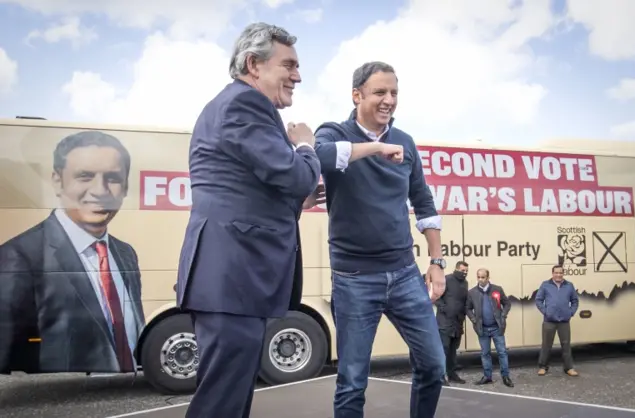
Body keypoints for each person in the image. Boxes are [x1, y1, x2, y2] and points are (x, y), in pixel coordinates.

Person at [174, 23, 322, 418]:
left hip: (231, 281)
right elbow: (295, 174)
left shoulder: (235, 105)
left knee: (230, 400)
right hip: (231, 279)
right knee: (220, 405)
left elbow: (248, 191)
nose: (298, 75)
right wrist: (306, 145)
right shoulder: (245, 103)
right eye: (288, 65)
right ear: (253, 64)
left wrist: (298, 203)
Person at [314, 61, 447, 418]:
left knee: (434, 366)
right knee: (352, 383)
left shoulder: (405, 142)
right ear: (357, 95)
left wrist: (435, 263)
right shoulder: (333, 131)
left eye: (394, 93)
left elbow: (424, 203)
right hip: (354, 280)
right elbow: (319, 156)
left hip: (404, 275)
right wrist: (374, 149)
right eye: (380, 92)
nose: (389, 100)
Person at [0, 131, 144, 375]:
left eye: (113, 178)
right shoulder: (19, 256)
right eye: (85, 176)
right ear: (57, 181)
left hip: (123, 394)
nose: (100, 190)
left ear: (126, 187)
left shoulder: (125, 252)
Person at [465, 268, 514, 387]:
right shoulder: (472, 292)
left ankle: (506, 376)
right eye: (479, 277)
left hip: (497, 328)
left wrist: (503, 315)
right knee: (485, 353)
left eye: (483, 277)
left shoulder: (497, 289)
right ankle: (487, 376)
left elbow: (507, 303)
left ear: (488, 278)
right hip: (482, 329)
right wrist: (473, 319)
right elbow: (467, 308)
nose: (480, 280)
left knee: (502, 352)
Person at [535, 265, 580, 377]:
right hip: (549, 321)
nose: (558, 275)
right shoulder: (545, 285)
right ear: (552, 273)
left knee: (566, 345)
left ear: (563, 273)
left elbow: (575, 301)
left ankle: (569, 368)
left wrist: (570, 312)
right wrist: (546, 312)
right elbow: (538, 300)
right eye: (556, 273)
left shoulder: (569, 286)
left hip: (564, 321)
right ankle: (542, 367)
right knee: (546, 345)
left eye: (560, 273)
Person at [435, 260, 469, 385]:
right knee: (443, 350)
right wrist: (445, 310)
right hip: (444, 323)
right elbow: (436, 297)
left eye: (466, 271)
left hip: (457, 323)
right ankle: (441, 376)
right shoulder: (446, 280)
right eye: (462, 270)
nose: (464, 273)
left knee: (453, 350)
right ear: (456, 269)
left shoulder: (465, 283)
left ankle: (452, 374)